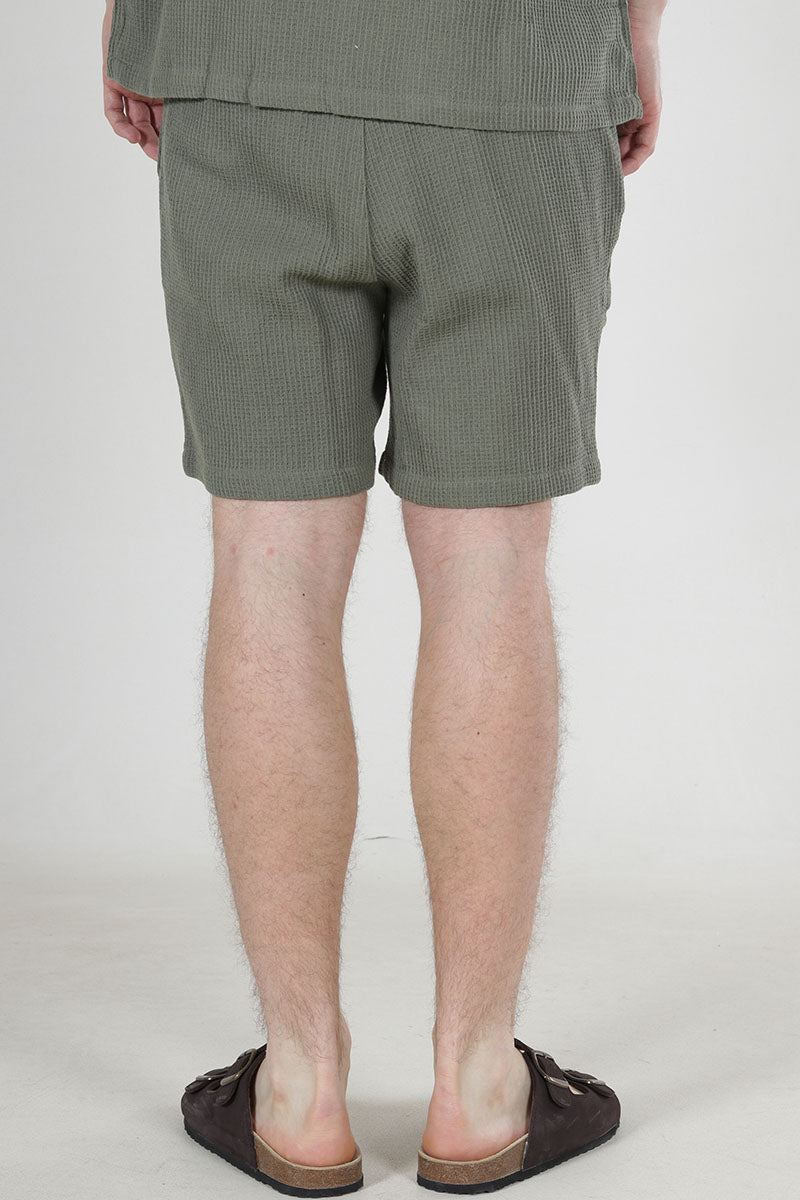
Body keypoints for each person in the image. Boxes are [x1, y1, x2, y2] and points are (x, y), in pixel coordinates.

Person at [102, 1, 666, 1192]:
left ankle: (299, 1089)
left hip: (240, 59)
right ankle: (478, 1087)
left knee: (269, 559)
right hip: (513, 73)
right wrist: (637, 32)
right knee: (489, 567)